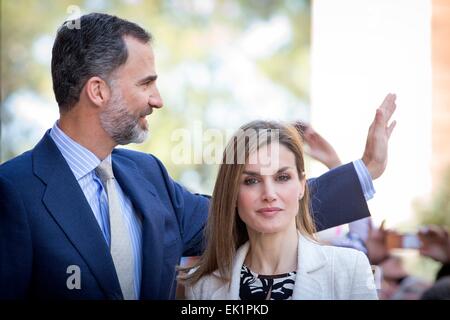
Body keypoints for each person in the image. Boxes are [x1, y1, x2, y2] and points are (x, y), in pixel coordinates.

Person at [0, 13, 396, 300]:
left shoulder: (147, 175)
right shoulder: (13, 191)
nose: (158, 99)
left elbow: (249, 212)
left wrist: (364, 171)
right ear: (98, 91)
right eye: (146, 83)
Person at [182, 121, 379, 300]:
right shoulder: (202, 287)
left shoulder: (350, 270)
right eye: (251, 181)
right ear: (232, 193)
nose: (269, 194)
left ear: (302, 185)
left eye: (282, 177)